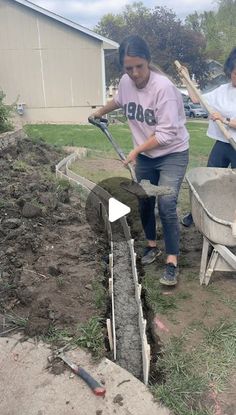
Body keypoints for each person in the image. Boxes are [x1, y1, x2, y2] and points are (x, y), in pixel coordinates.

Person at [90, 35, 189, 286]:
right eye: (128, 68)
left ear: (148, 61)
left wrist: (135, 152)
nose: (134, 73)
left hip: (172, 154)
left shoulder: (163, 89)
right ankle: (152, 246)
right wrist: (100, 112)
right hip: (146, 155)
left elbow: (166, 134)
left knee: (166, 203)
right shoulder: (125, 82)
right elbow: (120, 100)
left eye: (139, 67)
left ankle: (172, 260)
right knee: (144, 201)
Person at [181, 47, 236, 227]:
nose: (234, 77)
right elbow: (198, 100)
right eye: (234, 73)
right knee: (208, 180)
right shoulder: (223, 89)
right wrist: (186, 78)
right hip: (222, 144)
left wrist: (225, 120)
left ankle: (229, 218)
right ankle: (197, 214)